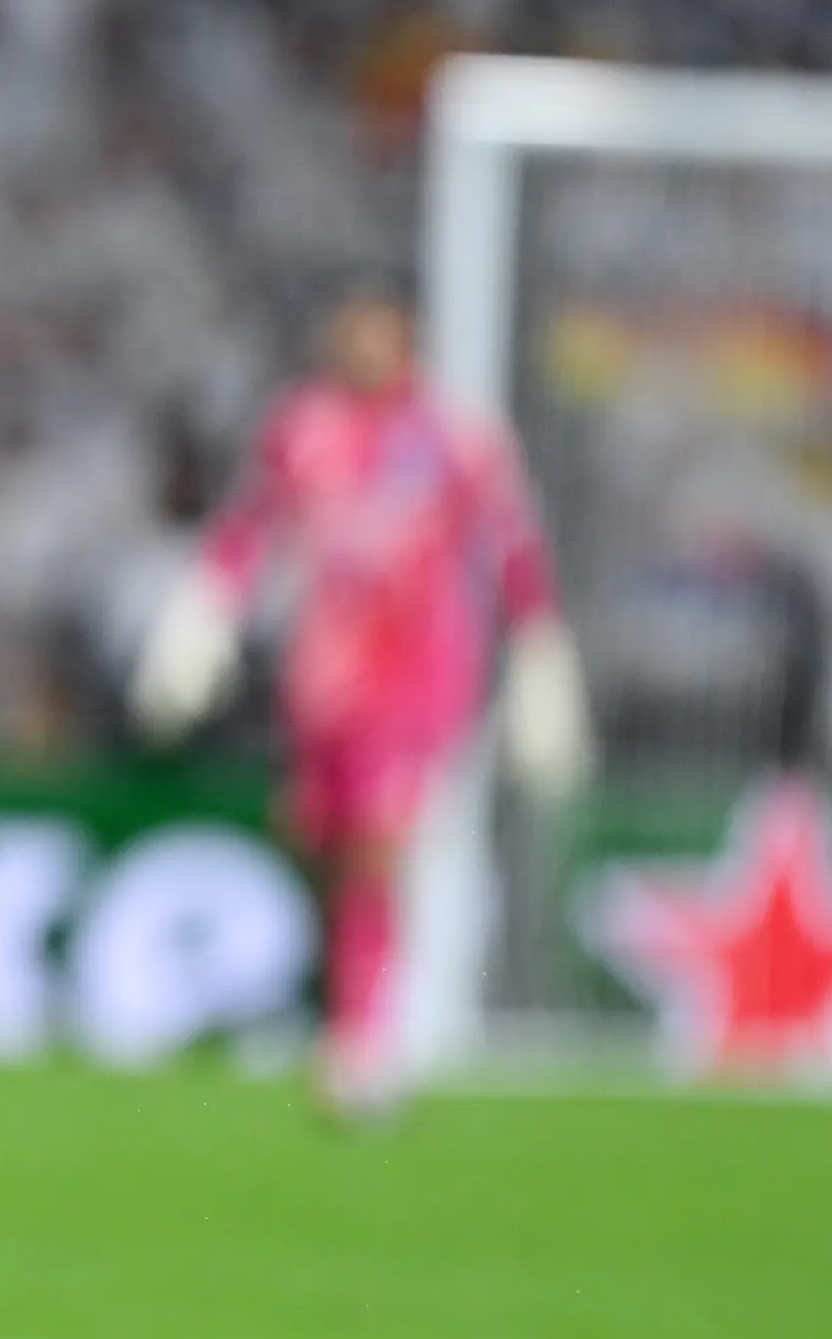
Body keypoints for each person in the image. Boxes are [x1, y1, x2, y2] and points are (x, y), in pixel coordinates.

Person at [130, 280, 592, 1116]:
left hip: (418, 678)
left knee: (381, 849)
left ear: (405, 335)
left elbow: (513, 545)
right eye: (349, 328)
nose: (360, 344)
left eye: (376, 329)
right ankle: (352, 1011)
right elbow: (248, 529)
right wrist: (202, 618)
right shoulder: (300, 429)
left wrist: (539, 652)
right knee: (329, 853)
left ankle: (365, 1043)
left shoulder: (457, 439)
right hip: (322, 683)